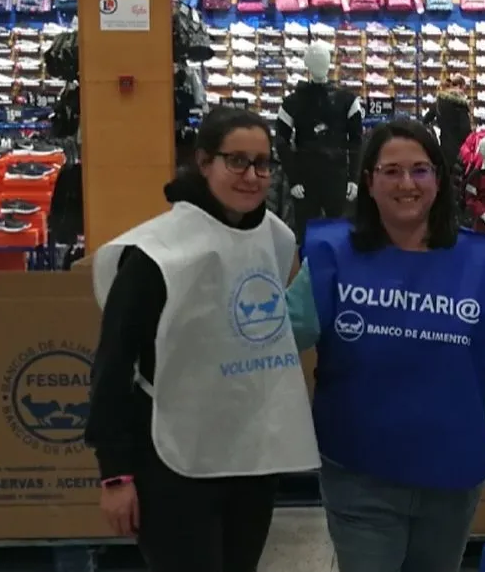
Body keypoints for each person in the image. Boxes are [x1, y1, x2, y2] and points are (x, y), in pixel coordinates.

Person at [285, 119, 485, 572]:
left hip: (451, 473)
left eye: (420, 169)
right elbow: (274, 340)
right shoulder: (331, 259)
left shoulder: (473, 264)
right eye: (391, 171)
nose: (407, 183)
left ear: (438, 179)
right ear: (369, 181)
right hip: (360, 472)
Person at [85, 107, 319, 572]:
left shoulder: (276, 237)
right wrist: (115, 474)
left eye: (262, 163)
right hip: (172, 458)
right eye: (237, 161)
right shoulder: (157, 253)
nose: (251, 176)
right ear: (204, 161)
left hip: (250, 457)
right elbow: (114, 364)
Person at [422, 74, 472, 166]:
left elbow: (425, 120)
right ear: (458, 87)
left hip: (444, 146)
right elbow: (465, 129)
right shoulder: (460, 104)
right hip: (460, 148)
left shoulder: (439, 102)